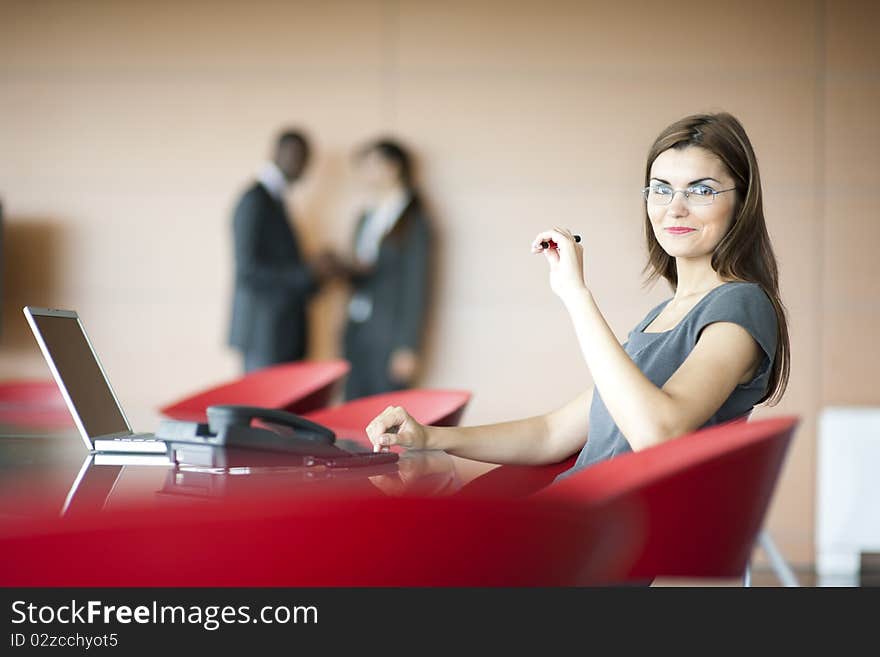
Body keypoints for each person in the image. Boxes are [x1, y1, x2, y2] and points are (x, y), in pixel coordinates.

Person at [364, 112, 791, 483]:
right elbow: (552, 432)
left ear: (742, 201)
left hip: (589, 541)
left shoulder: (740, 307)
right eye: (661, 189)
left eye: (700, 190)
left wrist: (575, 293)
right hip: (563, 520)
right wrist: (429, 439)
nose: (674, 208)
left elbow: (657, 434)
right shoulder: (664, 315)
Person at [227, 129, 336, 373]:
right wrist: (308, 273)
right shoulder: (255, 200)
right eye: (301, 158)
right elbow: (248, 270)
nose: (305, 168)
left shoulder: (277, 200)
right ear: (279, 153)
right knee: (264, 409)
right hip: (264, 333)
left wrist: (316, 273)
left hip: (280, 332)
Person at [340, 139, 432, 400]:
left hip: (390, 333)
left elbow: (418, 284)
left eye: (373, 165)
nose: (367, 173)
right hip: (358, 327)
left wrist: (407, 345)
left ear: (393, 168)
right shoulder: (366, 217)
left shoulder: (413, 219)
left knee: (386, 411)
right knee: (352, 408)